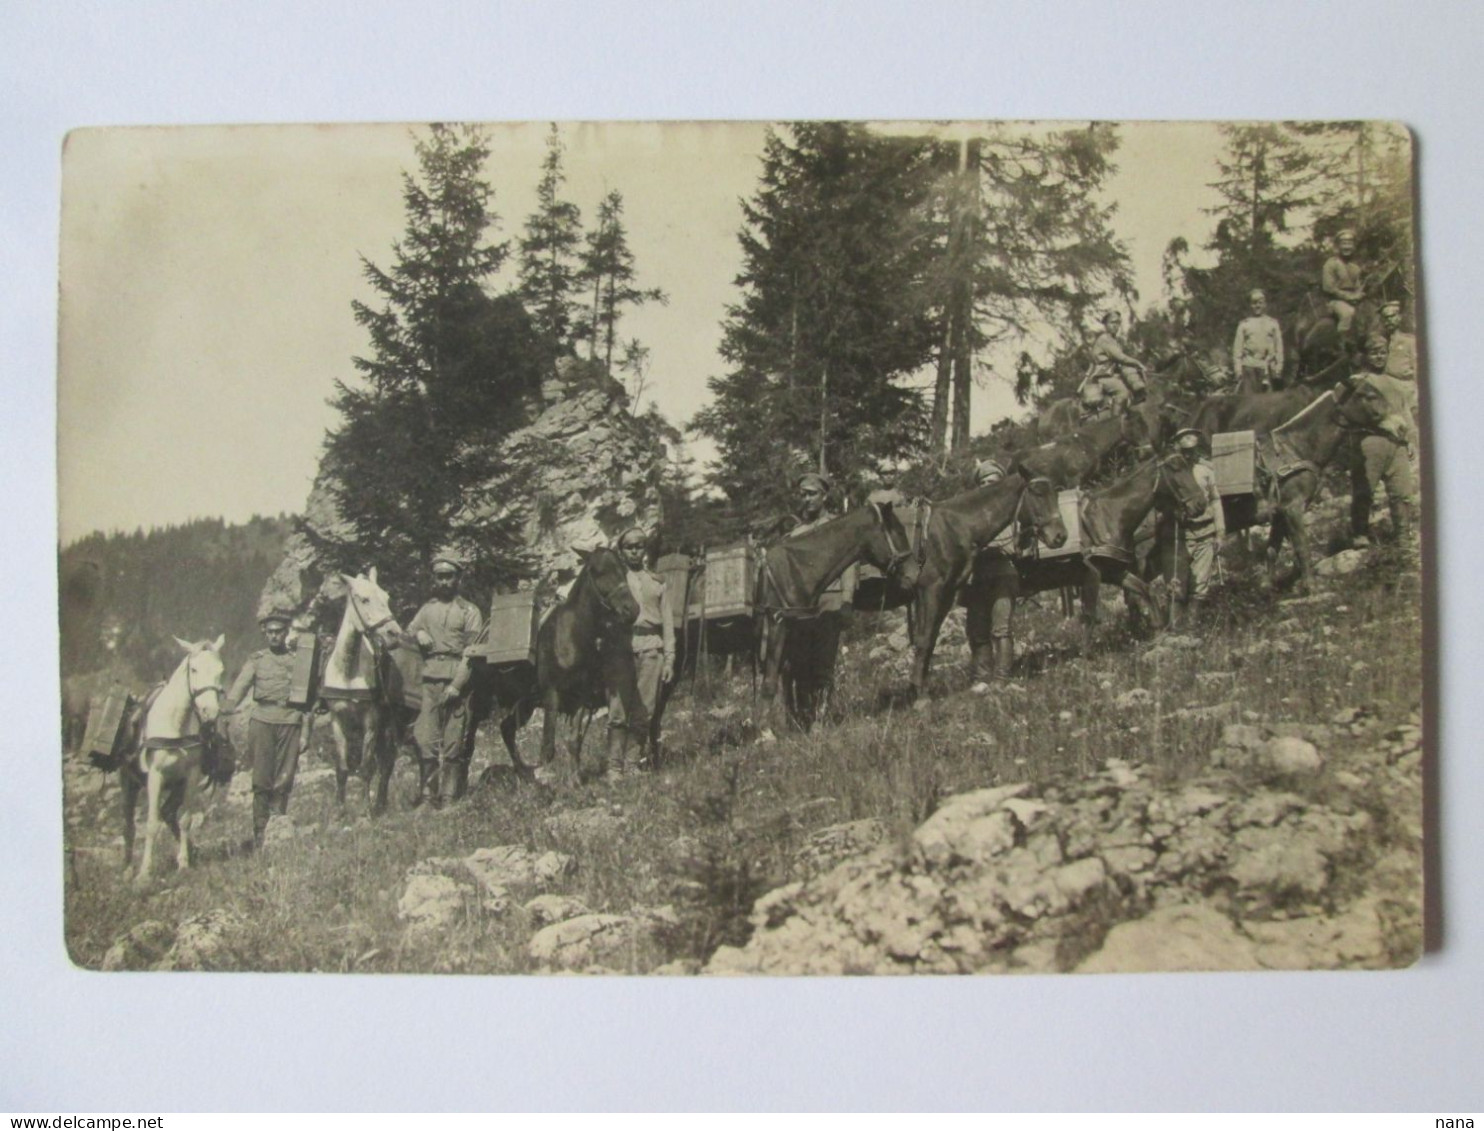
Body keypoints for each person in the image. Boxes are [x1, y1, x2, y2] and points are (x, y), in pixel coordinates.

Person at [222, 608, 308, 848]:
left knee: (284, 777)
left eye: (278, 632)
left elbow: (307, 702)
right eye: (269, 632)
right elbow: (239, 687)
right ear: (264, 633)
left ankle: (277, 830)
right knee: (261, 778)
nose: (274, 636)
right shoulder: (256, 660)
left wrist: (307, 732)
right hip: (262, 721)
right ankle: (260, 832)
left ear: (286, 632)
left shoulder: (297, 661)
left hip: (290, 720)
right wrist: (225, 709)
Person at [406, 554, 484, 807]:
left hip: (459, 681)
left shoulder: (469, 611)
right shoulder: (427, 609)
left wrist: (457, 685)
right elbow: (407, 634)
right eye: (439, 577)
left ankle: (449, 799)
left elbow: (472, 654)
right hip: (429, 681)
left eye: (449, 576)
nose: (444, 581)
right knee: (425, 740)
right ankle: (428, 797)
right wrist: (419, 633)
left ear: (458, 579)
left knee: (453, 744)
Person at [779, 471, 855, 730]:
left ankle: (819, 721)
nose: (807, 499)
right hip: (800, 607)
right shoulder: (795, 534)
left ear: (824, 496)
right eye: (803, 494)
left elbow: (849, 564)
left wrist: (847, 600)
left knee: (824, 662)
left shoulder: (838, 527)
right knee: (800, 664)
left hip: (830, 601)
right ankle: (803, 718)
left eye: (812, 494)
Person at [602, 526, 677, 778]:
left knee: (644, 711)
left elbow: (667, 623)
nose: (634, 551)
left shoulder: (657, 582)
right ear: (621, 551)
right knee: (617, 711)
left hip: (651, 649)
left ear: (644, 550)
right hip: (621, 650)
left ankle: (632, 765)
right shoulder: (616, 582)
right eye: (629, 547)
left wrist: (669, 658)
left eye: (639, 546)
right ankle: (614, 768)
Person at [1349, 339, 1419, 548]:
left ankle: (1402, 537)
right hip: (1370, 441)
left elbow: (1406, 414)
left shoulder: (1395, 383)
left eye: (1382, 352)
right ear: (1366, 356)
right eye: (1373, 353)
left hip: (1397, 443)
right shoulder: (1359, 381)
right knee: (1364, 490)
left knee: (1402, 492)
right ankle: (1360, 533)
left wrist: (1411, 440)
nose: (1379, 357)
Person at [962, 458, 1020, 693]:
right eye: (984, 482)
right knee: (977, 630)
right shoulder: (970, 514)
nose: (988, 485)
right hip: (977, 577)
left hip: (1003, 575)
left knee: (1001, 629)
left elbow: (1014, 546)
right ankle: (981, 679)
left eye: (993, 481)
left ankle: (1002, 679)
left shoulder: (1010, 511)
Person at [1170, 428, 1226, 628]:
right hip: (1181, 534)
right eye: (1185, 451)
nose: (1189, 455)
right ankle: (1174, 627)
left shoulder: (1206, 471)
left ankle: (1192, 626)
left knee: (1200, 583)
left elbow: (1216, 501)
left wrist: (1220, 532)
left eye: (1192, 450)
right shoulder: (1172, 473)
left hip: (1205, 531)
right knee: (1176, 583)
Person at [1081, 311, 1148, 414]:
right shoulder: (1104, 339)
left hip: (1112, 374)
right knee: (1122, 392)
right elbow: (1121, 358)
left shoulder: (1113, 340)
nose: (1116, 326)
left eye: (1118, 323)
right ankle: (1114, 423)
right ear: (1105, 325)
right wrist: (1137, 363)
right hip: (1102, 376)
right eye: (1112, 323)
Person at [1231, 288, 1284, 393]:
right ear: (1250, 305)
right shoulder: (1244, 325)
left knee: (1267, 402)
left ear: (1265, 304)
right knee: (1249, 401)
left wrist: (1279, 367)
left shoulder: (1272, 323)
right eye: (1254, 303)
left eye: (1260, 302)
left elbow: (1279, 348)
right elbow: (1237, 350)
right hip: (1249, 368)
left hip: (1267, 369)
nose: (1257, 306)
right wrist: (1238, 369)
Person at [1321, 229, 1365, 338]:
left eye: (1350, 243)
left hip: (1354, 300)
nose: (1347, 247)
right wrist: (1349, 297)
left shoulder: (1355, 268)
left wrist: (1360, 294)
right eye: (1344, 243)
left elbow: (1358, 286)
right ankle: (1342, 344)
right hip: (1335, 301)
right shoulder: (1331, 264)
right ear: (1338, 246)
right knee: (1347, 313)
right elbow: (1328, 288)